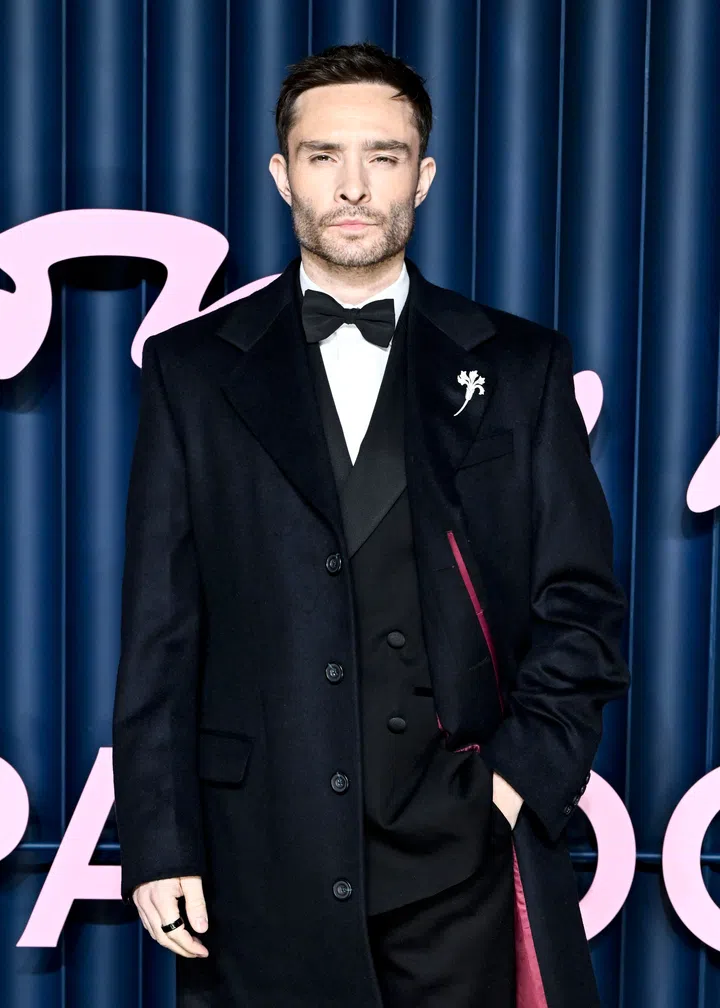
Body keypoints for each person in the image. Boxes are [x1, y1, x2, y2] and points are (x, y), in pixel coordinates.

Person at [112, 41, 630, 1008]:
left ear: (423, 176)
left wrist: (517, 784)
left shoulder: (521, 365)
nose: (353, 186)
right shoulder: (190, 369)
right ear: (282, 175)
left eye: (383, 156)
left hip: (461, 863)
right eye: (324, 157)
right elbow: (161, 629)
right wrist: (159, 840)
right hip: (256, 860)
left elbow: (581, 603)